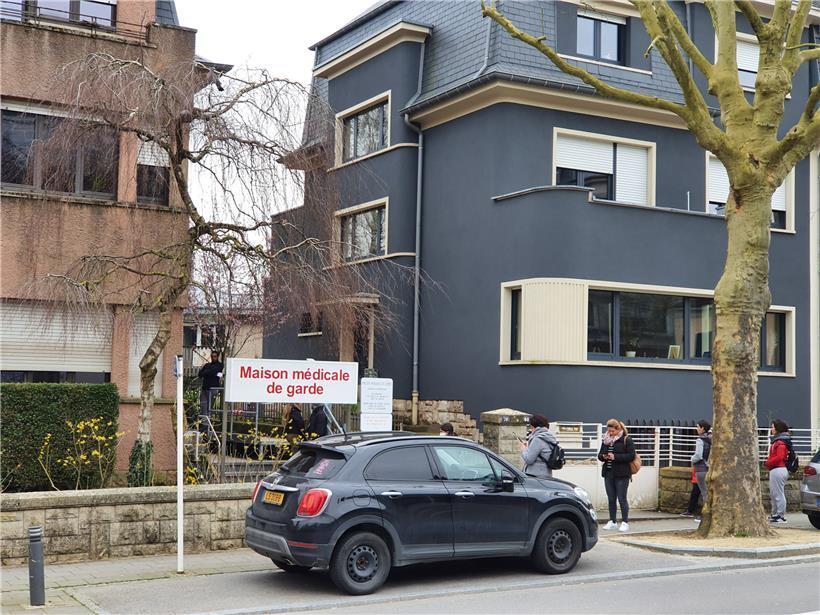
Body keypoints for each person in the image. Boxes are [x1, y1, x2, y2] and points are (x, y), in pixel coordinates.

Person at [597, 418, 636, 532]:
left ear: (618, 429)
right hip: (608, 473)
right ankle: (612, 521)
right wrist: (603, 456)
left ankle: (624, 522)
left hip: (622, 474)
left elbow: (631, 456)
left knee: (622, 498)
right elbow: (600, 455)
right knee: (611, 498)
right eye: (609, 431)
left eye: (612, 431)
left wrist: (616, 457)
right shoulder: (606, 440)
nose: (610, 433)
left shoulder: (626, 439)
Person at [764, 419, 791, 523]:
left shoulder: (779, 443)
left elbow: (779, 457)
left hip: (778, 469)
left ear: (777, 429)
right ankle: (775, 514)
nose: (771, 429)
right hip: (776, 469)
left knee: (778, 493)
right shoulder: (778, 441)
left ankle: (780, 515)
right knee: (774, 493)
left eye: (773, 427)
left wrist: (768, 463)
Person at [690, 419, 712, 520]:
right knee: (709, 492)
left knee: (704, 493)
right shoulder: (711, 439)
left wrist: (692, 459)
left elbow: (698, 455)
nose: (697, 429)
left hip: (700, 469)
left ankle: (705, 515)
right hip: (709, 468)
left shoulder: (700, 440)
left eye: (698, 427)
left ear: (702, 428)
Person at [198, 350, 223, 415]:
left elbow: (214, 371)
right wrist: (209, 372)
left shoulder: (220, 365)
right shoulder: (207, 365)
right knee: (203, 408)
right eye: (212, 356)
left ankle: (207, 424)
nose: (213, 358)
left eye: (214, 356)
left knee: (209, 408)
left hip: (213, 389)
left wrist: (206, 372)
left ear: (217, 357)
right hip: (204, 389)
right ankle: (204, 424)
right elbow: (200, 374)